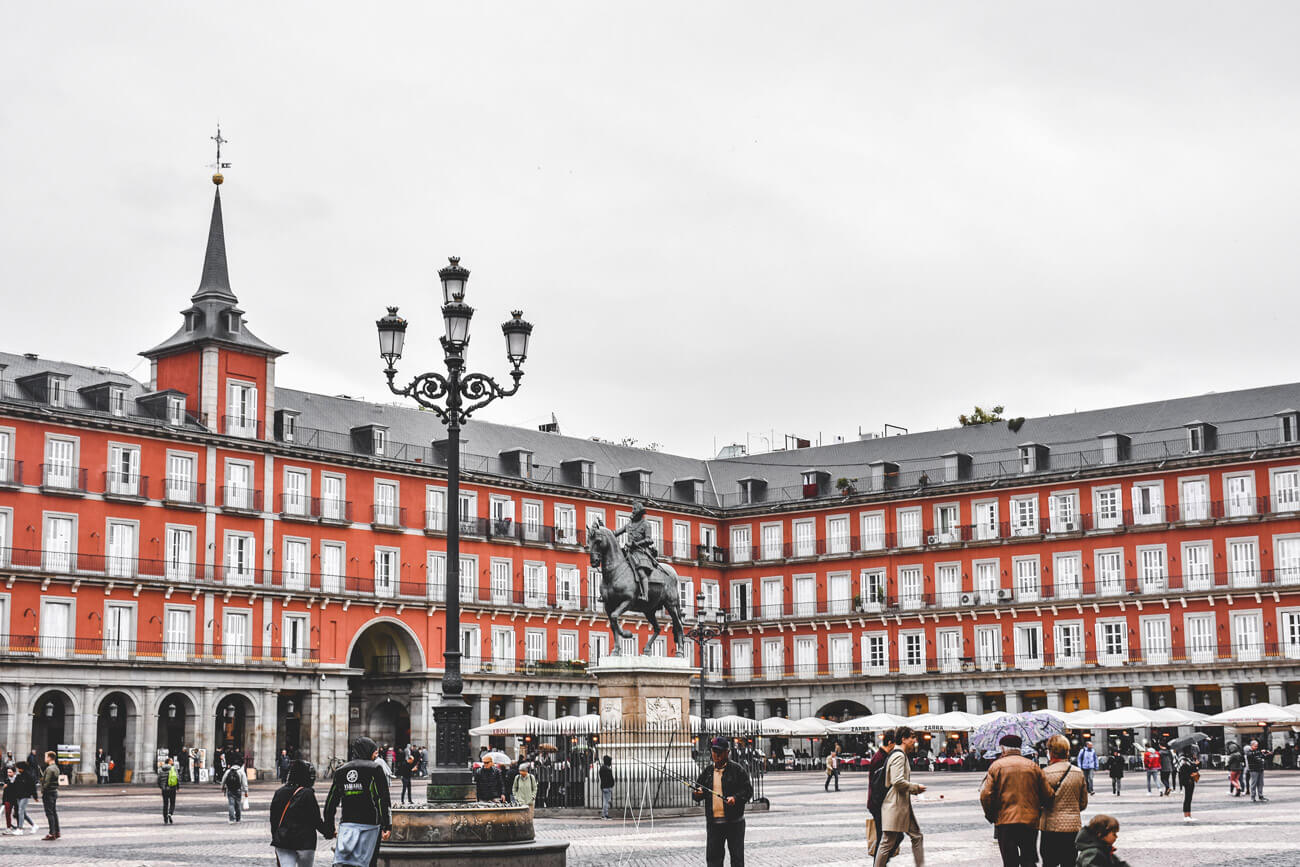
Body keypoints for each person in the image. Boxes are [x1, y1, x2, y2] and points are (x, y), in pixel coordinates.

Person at [979, 733, 1053, 867]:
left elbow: (986, 795)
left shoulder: (996, 766)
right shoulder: (1033, 766)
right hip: (1029, 820)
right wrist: (1038, 810)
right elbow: (1047, 793)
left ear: (1003, 748)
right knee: (1028, 859)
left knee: (1009, 861)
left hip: (1005, 821)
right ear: (1020, 748)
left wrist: (991, 815)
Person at [323, 736, 392, 867]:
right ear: (368, 751)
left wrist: (329, 827)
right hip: (370, 824)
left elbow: (331, 802)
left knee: (345, 862)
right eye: (374, 751)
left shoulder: (340, 771)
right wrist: (387, 825)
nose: (375, 755)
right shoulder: (374, 769)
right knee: (368, 862)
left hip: (347, 824)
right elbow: (382, 799)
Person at [692, 736, 753, 867]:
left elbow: (747, 791)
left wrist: (735, 798)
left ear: (727, 752)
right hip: (714, 824)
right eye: (714, 751)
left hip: (734, 823)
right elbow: (697, 792)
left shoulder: (737, 770)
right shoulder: (708, 772)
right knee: (713, 860)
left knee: (737, 860)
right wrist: (697, 794)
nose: (717, 755)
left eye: (720, 751)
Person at [874, 726, 925, 867]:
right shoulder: (898, 755)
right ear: (903, 739)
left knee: (917, 836)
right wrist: (915, 787)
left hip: (902, 806)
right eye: (912, 738)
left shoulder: (898, 754)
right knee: (887, 842)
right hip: (895, 805)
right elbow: (896, 781)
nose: (914, 741)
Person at [271, 759, 332, 867]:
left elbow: (274, 819)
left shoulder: (279, 792)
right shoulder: (307, 793)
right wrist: (328, 832)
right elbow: (315, 819)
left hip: (283, 841)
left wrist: (276, 837)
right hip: (305, 842)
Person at [1040, 734, 1088, 867]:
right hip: (1072, 827)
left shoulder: (1044, 773)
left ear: (1050, 752)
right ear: (1067, 751)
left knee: (1049, 863)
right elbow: (1083, 803)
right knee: (1069, 862)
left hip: (1050, 827)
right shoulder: (1078, 773)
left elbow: (1040, 802)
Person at [613, 502, 657, 601]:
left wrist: (636, 544)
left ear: (640, 513)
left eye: (635, 510)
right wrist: (605, 531)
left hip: (641, 552)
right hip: (628, 551)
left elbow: (649, 540)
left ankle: (645, 595)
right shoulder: (629, 524)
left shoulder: (646, 524)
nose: (632, 512)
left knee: (641, 572)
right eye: (632, 510)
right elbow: (616, 533)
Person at [866, 729, 896, 859]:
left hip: (878, 803)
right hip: (878, 804)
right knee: (883, 839)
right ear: (890, 742)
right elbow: (878, 785)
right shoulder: (880, 759)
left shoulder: (883, 756)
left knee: (885, 838)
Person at [39, 750, 60, 841]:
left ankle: (52, 833)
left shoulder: (49, 769)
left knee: (49, 813)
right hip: (54, 791)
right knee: (54, 812)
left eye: (45, 756)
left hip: (48, 793)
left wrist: (42, 790)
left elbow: (46, 782)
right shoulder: (56, 767)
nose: (44, 758)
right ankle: (57, 831)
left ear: (49, 758)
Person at [222, 755, 249, 823]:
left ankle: (231, 819)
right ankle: (238, 818)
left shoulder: (228, 771)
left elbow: (223, 780)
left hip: (230, 790)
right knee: (238, 804)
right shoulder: (241, 772)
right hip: (238, 790)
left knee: (231, 804)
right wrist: (246, 791)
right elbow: (244, 783)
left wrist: (222, 787)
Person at [1177, 745, 1200, 822]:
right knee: (1187, 798)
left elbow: (1195, 768)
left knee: (1189, 798)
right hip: (1187, 780)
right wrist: (1195, 764)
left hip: (1190, 779)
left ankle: (1189, 815)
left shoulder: (1190, 759)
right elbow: (1185, 769)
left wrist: (1196, 762)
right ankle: (1186, 815)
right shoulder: (1183, 759)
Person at [1247, 738, 1270, 802]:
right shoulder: (1249, 752)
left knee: (1261, 783)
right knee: (1254, 783)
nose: (1256, 747)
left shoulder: (1257, 751)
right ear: (1251, 746)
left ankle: (1260, 796)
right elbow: (1252, 755)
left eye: (1257, 746)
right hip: (1253, 770)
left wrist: (1267, 754)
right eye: (1255, 746)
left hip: (1260, 769)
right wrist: (1261, 752)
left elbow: (1262, 756)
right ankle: (1253, 797)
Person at [158, 756, 180, 824]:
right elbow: (177, 778)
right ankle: (170, 813)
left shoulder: (161, 769)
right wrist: (178, 787)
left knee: (165, 804)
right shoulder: (173, 768)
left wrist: (161, 787)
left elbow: (159, 779)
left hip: (164, 789)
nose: (172, 761)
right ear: (169, 762)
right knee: (172, 802)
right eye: (171, 760)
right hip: (172, 788)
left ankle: (165, 818)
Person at [599, 755, 615, 819]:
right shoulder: (608, 769)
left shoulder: (601, 768)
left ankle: (604, 814)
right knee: (606, 801)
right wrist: (611, 784)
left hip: (603, 786)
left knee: (606, 801)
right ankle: (605, 814)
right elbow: (611, 779)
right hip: (607, 787)